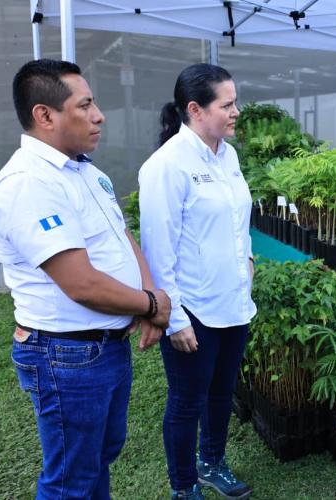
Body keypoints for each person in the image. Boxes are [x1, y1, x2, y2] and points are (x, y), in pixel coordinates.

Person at [0, 59, 171, 499]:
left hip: (103, 347)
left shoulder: (86, 171)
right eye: (84, 105)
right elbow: (81, 284)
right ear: (45, 115)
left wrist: (148, 294)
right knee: (71, 479)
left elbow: (122, 236)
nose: (99, 115)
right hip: (67, 354)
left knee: (98, 457)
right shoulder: (29, 183)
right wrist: (151, 305)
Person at [139, 63, 256, 500]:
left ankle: (212, 463)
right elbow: (158, 250)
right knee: (187, 401)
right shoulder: (167, 166)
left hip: (234, 302)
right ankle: (184, 486)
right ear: (195, 109)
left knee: (221, 394)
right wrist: (174, 320)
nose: (235, 112)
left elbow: (237, 219)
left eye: (235, 103)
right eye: (227, 105)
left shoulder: (228, 155)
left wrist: (247, 259)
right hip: (194, 310)